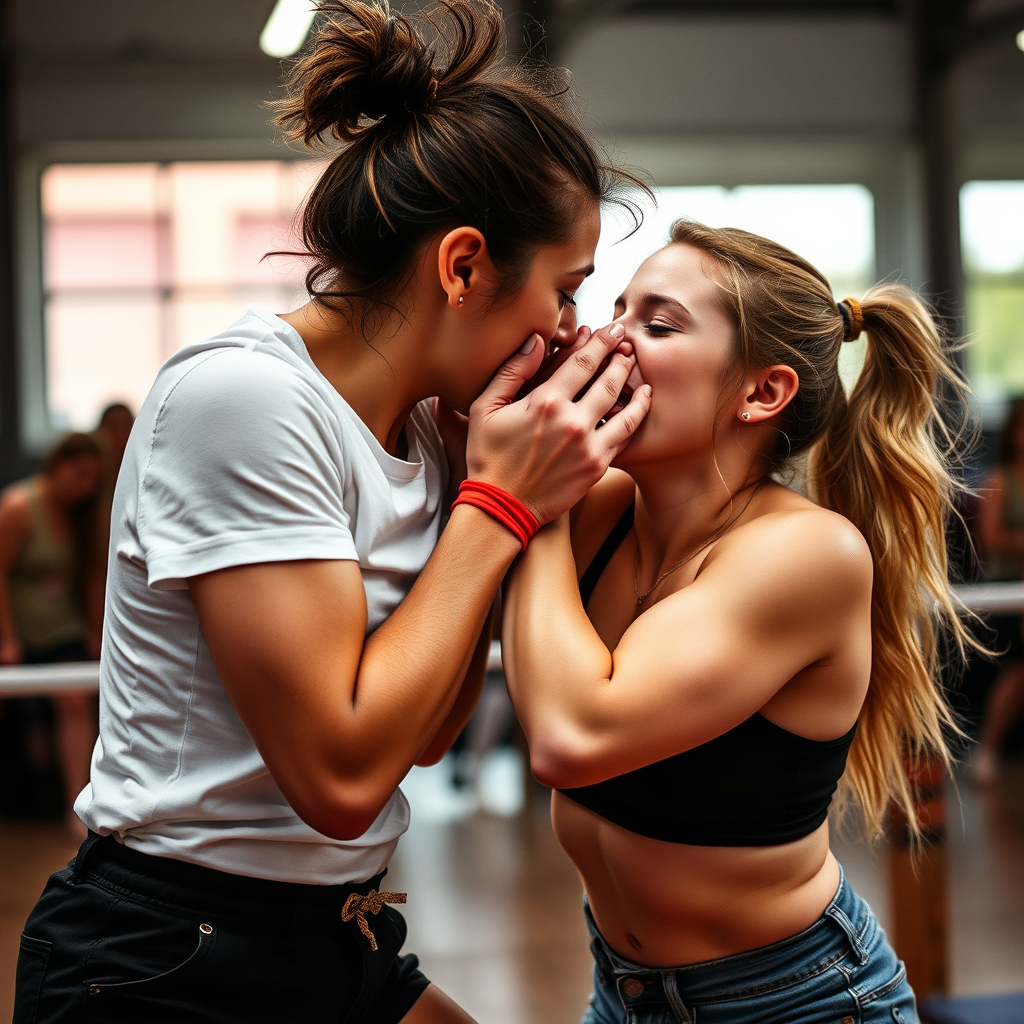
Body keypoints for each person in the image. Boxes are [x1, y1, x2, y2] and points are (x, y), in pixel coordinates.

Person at [13, 3, 651, 1023]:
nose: (571, 327)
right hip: (169, 955)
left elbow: (428, 728)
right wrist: (496, 508)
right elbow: (343, 777)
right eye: (565, 290)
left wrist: (506, 498)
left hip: (330, 930)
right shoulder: (246, 401)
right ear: (462, 265)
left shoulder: (435, 433)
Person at [503, 219, 975, 1024]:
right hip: (623, 996)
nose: (611, 342)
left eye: (657, 325)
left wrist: (528, 497)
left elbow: (569, 737)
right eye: (616, 311)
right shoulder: (608, 509)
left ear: (762, 392)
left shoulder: (807, 552)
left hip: (797, 1001)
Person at [0, 432, 103, 836]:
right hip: (19, 628)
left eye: (94, 477)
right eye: (80, 474)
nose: (87, 485)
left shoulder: (85, 514)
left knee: (74, 701)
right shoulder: (20, 506)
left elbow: (93, 579)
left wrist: (97, 634)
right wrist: (7, 638)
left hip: (63, 626)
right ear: (58, 466)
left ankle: (74, 804)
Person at [974, 396, 1024, 784]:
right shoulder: (999, 481)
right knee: (1018, 671)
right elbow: (992, 539)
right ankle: (987, 753)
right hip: (1009, 592)